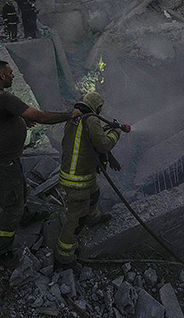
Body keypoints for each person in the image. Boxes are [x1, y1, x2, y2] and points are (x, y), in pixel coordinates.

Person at [0, 60, 81, 258]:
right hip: (3, 161)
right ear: (2, 76)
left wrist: (18, 120)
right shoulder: (4, 98)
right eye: (10, 73)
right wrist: (69, 115)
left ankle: (25, 216)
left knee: (20, 188)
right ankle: (3, 247)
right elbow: (41, 117)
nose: (13, 76)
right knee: (11, 207)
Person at [56, 91, 121, 267]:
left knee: (95, 192)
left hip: (78, 172)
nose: (101, 110)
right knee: (76, 217)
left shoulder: (75, 117)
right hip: (77, 178)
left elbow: (86, 139)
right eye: (100, 107)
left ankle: (93, 218)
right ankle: (64, 257)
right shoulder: (91, 119)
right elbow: (103, 144)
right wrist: (115, 133)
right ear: (97, 106)